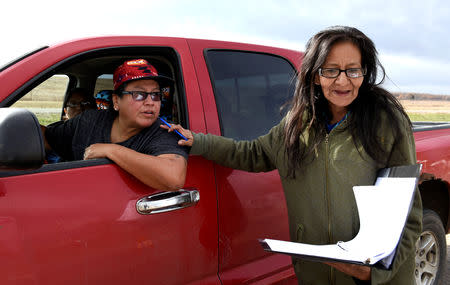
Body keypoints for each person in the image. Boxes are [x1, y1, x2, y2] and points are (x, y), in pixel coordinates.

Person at [163, 26, 422, 284]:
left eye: (353, 70)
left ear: (364, 73)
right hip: (315, 275)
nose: (343, 81)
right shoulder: (297, 125)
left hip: (373, 278)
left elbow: (408, 212)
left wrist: (376, 272)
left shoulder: (386, 122)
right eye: (331, 70)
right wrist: (199, 141)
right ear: (315, 76)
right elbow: (252, 154)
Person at [43, 59, 189, 190]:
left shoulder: (164, 131)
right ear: (116, 101)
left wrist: (111, 151)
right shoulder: (89, 121)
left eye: (156, 95)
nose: (150, 102)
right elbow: (46, 138)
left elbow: (174, 178)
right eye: (139, 94)